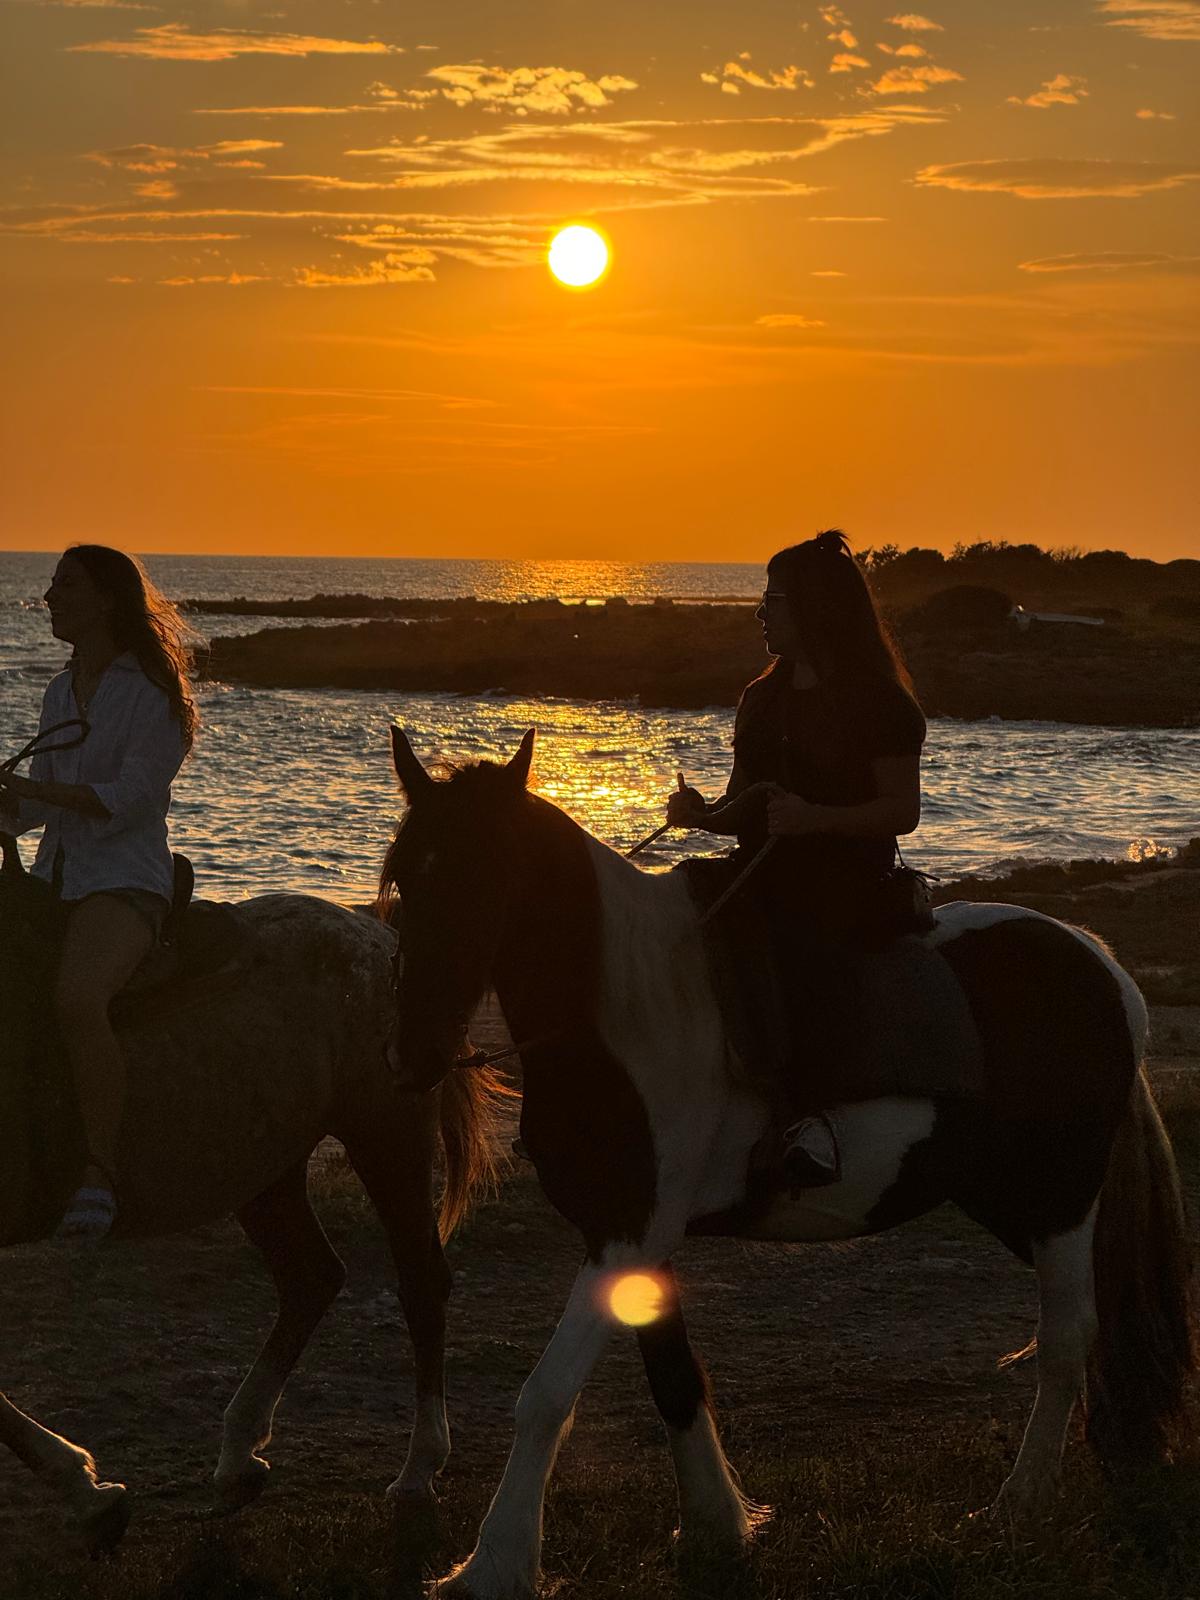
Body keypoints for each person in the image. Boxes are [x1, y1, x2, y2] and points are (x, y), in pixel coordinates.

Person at [666, 529, 926, 1186]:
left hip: (845, 880)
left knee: (795, 946)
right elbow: (741, 809)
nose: (761, 612)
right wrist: (701, 817)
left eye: (773, 600)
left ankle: (810, 1119)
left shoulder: (882, 704)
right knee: (670, 922)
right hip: (761, 874)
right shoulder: (761, 698)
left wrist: (816, 821)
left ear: (814, 609)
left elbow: (902, 812)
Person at [0, 545, 196, 1240]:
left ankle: (100, 1175)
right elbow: (37, 808)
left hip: (124, 878)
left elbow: (132, 801)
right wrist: (8, 808)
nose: (50, 597)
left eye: (66, 586)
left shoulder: (152, 690)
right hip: (57, 874)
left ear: (107, 599)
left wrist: (36, 790)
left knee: (77, 997)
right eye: (52, 586)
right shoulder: (61, 688)